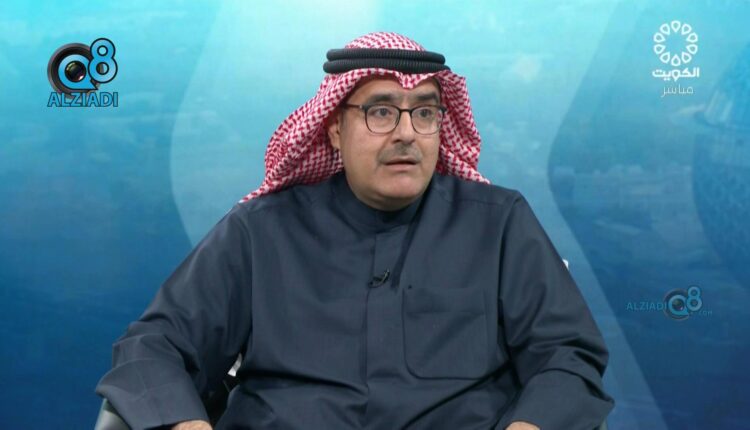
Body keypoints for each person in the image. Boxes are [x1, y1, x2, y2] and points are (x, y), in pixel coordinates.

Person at [96, 32, 614, 430]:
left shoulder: (499, 223)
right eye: (381, 112)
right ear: (334, 130)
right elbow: (155, 346)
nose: (407, 133)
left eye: (425, 112)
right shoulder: (259, 231)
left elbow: (567, 355)